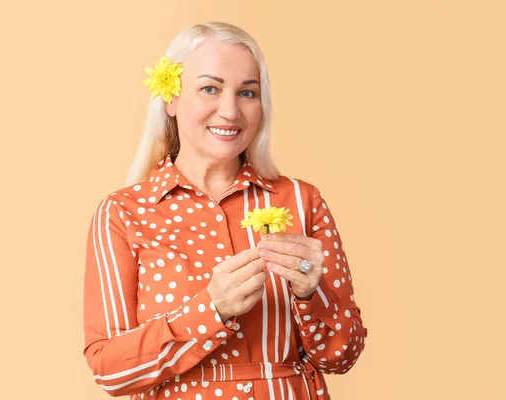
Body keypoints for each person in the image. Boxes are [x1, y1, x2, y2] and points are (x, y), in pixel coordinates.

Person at [82, 21, 368, 400]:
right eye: (210, 89)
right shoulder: (123, 213)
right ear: (171, 98)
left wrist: (311, 295)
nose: (230, 111)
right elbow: (111, 370)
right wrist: (211, 309)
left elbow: (342, 356)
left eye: (247, 93)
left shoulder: (302, 201)